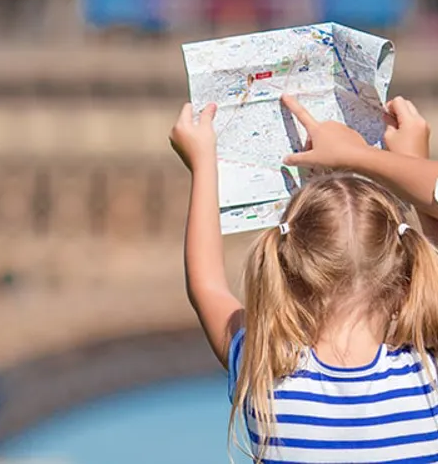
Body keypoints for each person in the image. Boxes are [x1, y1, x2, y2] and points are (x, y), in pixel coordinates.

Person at [169, 95, 438, 462]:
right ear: (406, 274)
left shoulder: (263, 370)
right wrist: (405, 163)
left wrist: (204, 165)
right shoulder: (428, 374)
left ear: (287, 274)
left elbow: (206, 286)